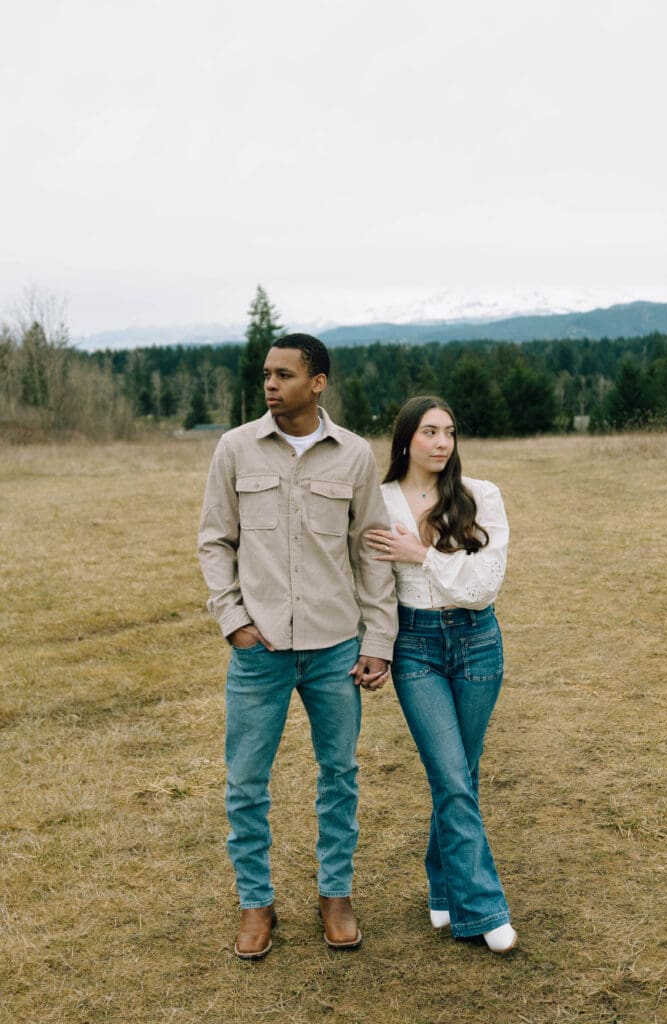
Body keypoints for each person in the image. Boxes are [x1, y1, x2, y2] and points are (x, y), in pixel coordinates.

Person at [198, 333, 397, 960]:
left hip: (336, 646)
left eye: (284, 374)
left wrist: (380, 640)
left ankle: (334, 895)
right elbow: (214, 541)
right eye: (266, 374)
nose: (270, 384)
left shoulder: (356, 456)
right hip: (258, 651)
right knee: (246, 782)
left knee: (339, 773)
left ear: (318, 383)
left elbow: (373, 550)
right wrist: (233, 620)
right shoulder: (234, 448)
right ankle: (256, 904)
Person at [365, 395, 517, 954]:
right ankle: (482, 908)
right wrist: (375, 647)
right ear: (406, 439)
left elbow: (484, 585)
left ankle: (443, 885)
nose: (442, 442)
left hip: (478, 641)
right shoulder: (378, 502)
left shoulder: (481, 495)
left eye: (449, 432)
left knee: (462, 774)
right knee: (452, 775)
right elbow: (372, 584)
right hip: (416, 646)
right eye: (430, 431)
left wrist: (421, 554)